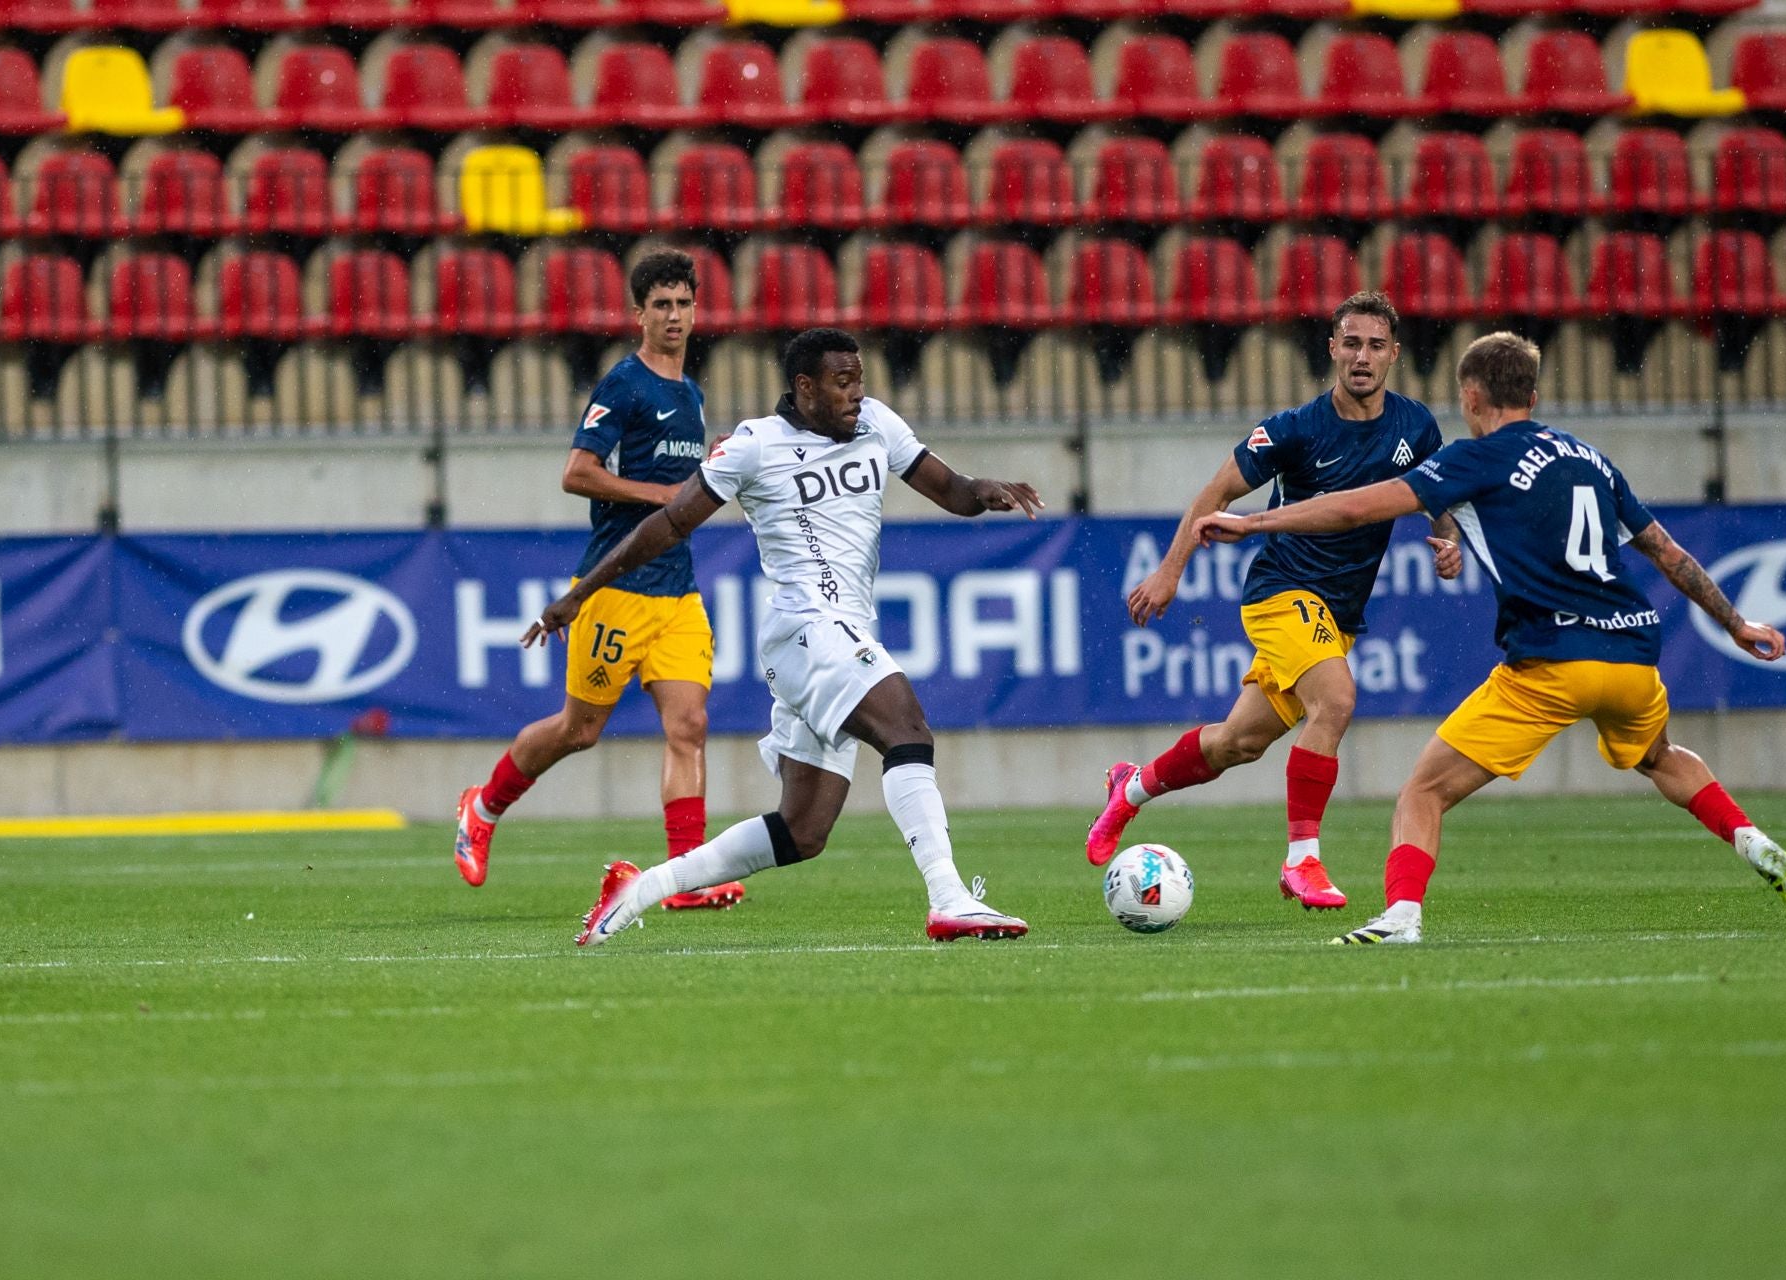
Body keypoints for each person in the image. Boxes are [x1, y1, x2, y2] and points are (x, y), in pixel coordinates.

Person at [1197, 331, 1786, 944]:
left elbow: (1356, 507)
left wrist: (1254, 521)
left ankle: (1401, 918)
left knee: (1424, 791)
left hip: (1552, 663)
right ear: (1534, 392)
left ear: (1470, 397)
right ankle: (1751, 838)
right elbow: (1667, 552)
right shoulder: (1588, 459)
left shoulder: (1474, 458)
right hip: (1632, 657)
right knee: (1660, 757)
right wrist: (1737, 623)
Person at [520, 327, 1045, 947]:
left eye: (860, 380)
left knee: (803, 830)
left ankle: (642, 889)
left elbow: (951, 490)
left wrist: (984, 492)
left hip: (837, 632)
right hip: (808, 628)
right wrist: (581, 594)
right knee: (907, 730)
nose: (856, 395)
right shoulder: (754, 446)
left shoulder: (876, 422)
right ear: (804, 387)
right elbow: (669, 524)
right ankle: (949, 898)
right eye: (842, 382)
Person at [1086, 292, 1463, 912]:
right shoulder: (1295, 429)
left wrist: (1446, 540)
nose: (1361, 357)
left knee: (1237, 742)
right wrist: (1169, 571)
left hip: (1336, 617)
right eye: (1350, 343)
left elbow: (1437, 496)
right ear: (1332, 348)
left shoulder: (1416, 427)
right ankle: (1302, 861)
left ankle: (1130, 789)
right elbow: (1216, 491)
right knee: (1337, 699)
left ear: (1394, 355)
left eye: (1374, 345)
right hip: (1281, 593)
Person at [454, 249, 741, 911]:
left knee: (689, 724)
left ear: (696, 312)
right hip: (614, 589)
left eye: (683, 304)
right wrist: (662, 495)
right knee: (579, 730)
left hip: (678, 592)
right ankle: (484, 806)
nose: (673, 316)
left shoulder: (691, 395)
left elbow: (685, 495)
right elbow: (577, 472)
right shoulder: (624, 384)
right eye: (661, 305)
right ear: (638, 314)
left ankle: (683, 878)